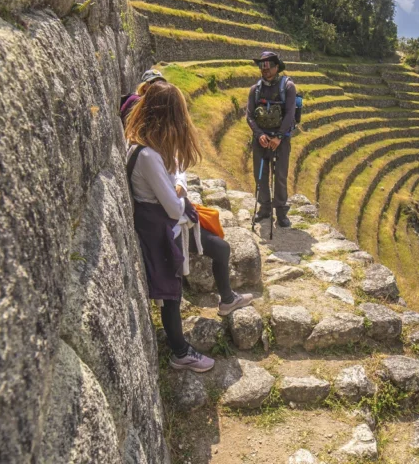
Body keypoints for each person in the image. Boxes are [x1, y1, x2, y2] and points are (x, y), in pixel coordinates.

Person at [125, 80, 253, 372]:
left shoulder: (144, 146)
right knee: (171, 292)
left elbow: (176, 173)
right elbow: (172, 205)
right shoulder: (147, 155)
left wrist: (178, 188)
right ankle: (180, 352)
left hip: (166, 222)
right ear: (168, 118)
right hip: (160, 228)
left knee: (220, 248)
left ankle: (227, 299)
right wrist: (180, 195)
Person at [247, 51, 297, 228]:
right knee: (260, 175)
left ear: (277, 67)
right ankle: (265, 208)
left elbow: (290, 113)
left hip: (280, 140)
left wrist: (279, 137)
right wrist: (259, 134)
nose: (265, 69)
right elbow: (250, 116)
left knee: (280, 175)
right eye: (262, 65)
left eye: (268, 65)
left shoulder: (288, 87)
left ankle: (281, 212)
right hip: (261, 139)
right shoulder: (255, 90)